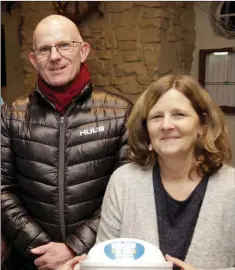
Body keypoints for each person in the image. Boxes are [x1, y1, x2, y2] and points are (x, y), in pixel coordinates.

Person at [60, 74, 235, 270]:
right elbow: (105, 261)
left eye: (179, 115)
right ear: (146, 130)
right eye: (156, 117)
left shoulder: (231, 187)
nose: (166, 125)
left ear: (202, 126)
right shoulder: (124, 181)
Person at [1, 14, 132, 270]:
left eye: (64, 45)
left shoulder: (121, 113)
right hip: (31, 260)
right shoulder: (12, 115)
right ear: (33, 60)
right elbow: (2, 189)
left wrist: (75, 248)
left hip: (96, 260)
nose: (54, 56)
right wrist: (41, 248)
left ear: (83, 51)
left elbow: (126, 194)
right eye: (44, 49)